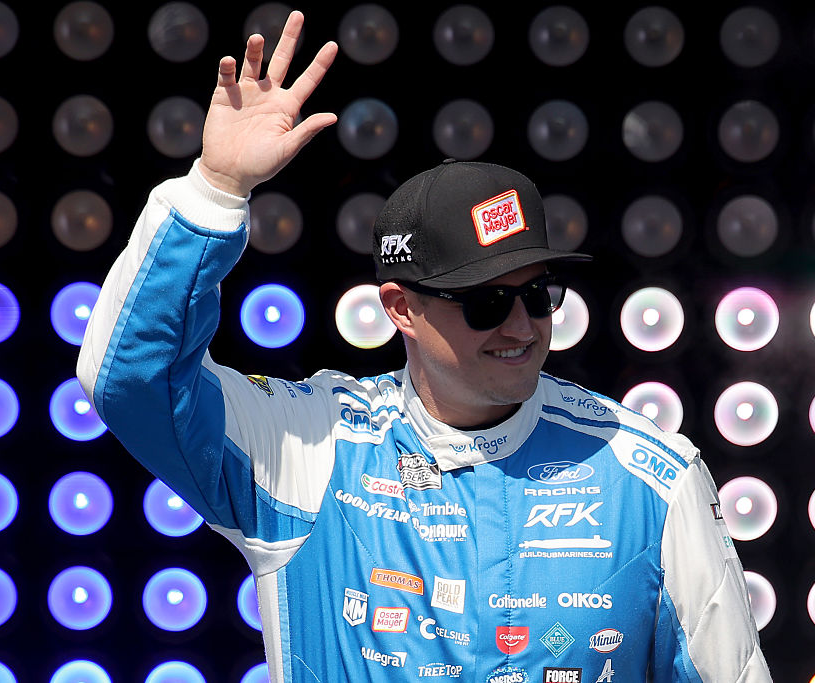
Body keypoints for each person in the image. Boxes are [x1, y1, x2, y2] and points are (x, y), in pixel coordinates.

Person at [77, 10, 772, 683]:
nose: (522, 326)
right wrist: (216, 190)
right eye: (487, 302)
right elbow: (131, 380)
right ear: (399, 307)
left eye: (539, 294)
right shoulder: (311, 446)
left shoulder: (650, 474)